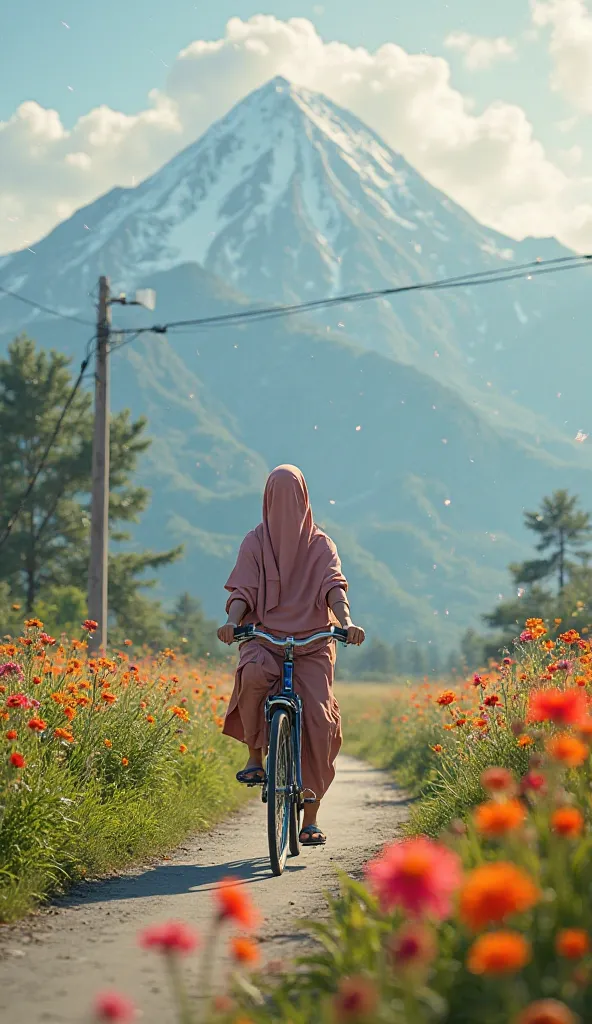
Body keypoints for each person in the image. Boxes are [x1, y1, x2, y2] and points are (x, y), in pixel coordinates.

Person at [217, 464, 365, 847]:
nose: (285, 508)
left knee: (317, 718)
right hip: (263, 636)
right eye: (277, 498)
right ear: (267, 500)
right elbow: (243, 591)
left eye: (292, 499)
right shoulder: (255, 542)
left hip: (313, 643)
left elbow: (335, 586)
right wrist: (232, 623)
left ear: (304, 500)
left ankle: (310, 817)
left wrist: (346, 621)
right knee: (251, 676)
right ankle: (255, 757)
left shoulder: (321, 545)